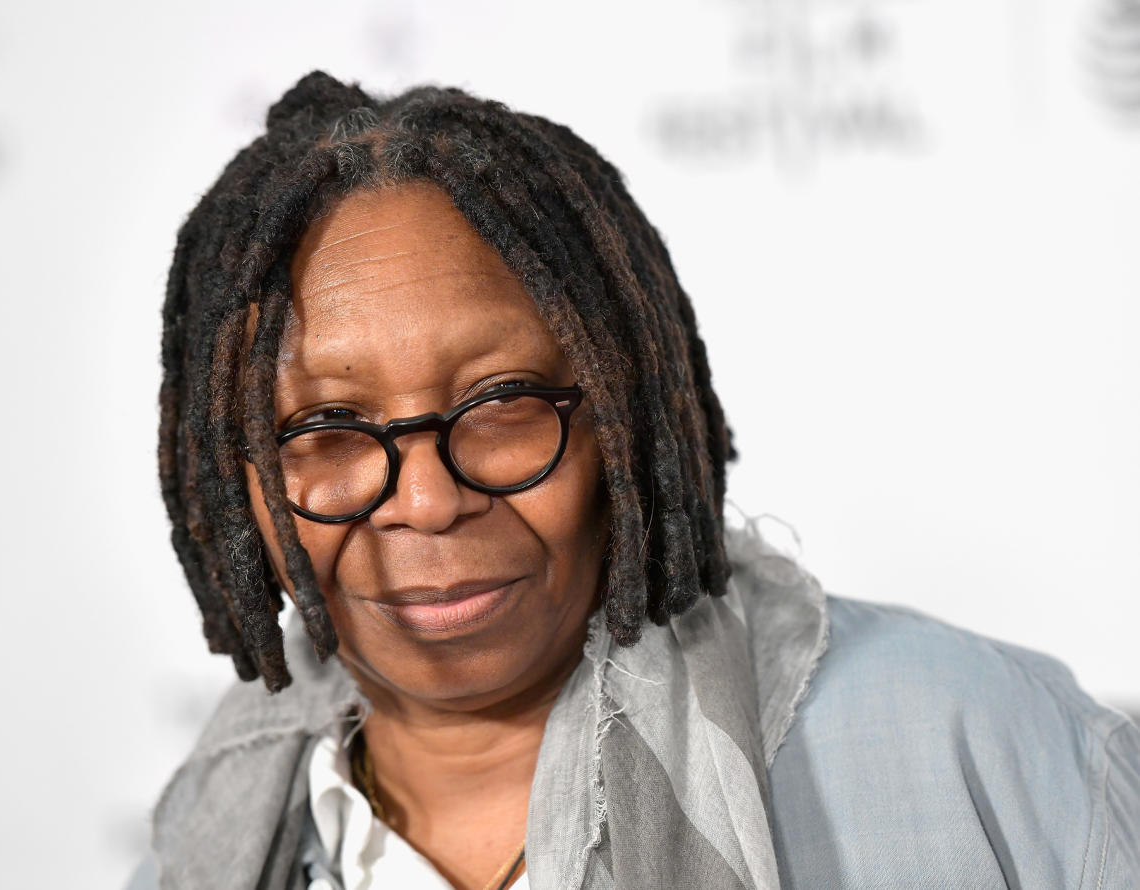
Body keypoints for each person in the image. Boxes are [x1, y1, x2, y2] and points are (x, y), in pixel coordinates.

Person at [131, 71, 1140, 889]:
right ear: (238, 484)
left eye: (503, 400)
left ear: (627, 418)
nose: (430, 500)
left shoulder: (974, 746)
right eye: (328, 427)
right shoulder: (211, 839)